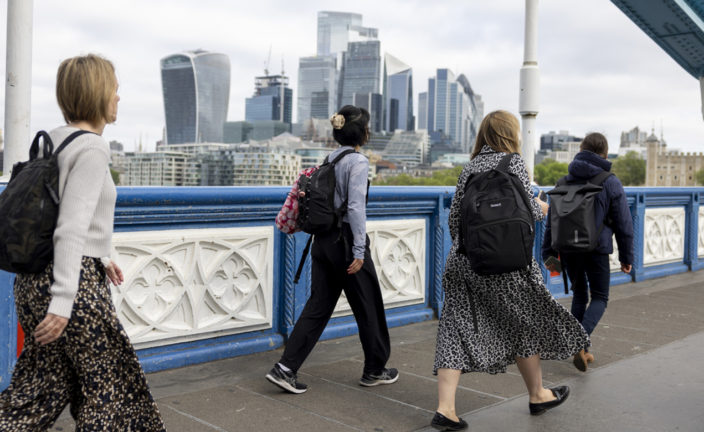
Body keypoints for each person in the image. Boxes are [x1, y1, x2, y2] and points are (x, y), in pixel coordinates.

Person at [0, 54, 165, 431]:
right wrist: (62, 305)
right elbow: (70, 229)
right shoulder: (92, 147)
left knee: (39, 389)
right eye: (115, 90)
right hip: (71, 288)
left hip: (32, 281)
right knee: (109, 390)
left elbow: (56, 214)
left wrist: (103, 254)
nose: (119, 98)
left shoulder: (52, 141)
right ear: (98, 93)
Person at [431, 110, 590, 431]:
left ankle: (445, 409)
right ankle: (537, 394)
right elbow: (527, 210)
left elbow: (454, 221)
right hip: (506, 267)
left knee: (454, 329)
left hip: (464, 262)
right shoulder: (513, 162)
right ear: (510, 133)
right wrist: (543, 208)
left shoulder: (469, 168)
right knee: (524, 324)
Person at [266, 105, 398, 394]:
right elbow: (355, 208)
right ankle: (375, 369)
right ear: (364, 133)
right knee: (369, 306)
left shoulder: (329, 159)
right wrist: (360, 251)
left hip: (322, 243)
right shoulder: (358, 162)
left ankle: (285, 368)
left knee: (318, 306)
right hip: (347, 243)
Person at [542, 132, 633, 372]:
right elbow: (624, 223)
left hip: (568, 249)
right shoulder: (609, 181)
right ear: (604, 153)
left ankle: (583, 348)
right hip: (597, 249)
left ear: (581, 150)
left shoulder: (563, 182)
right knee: (600, 297)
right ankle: (579, 343)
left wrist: (548, 253)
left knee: (580, 293)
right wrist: (627, 257)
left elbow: (552, 221)